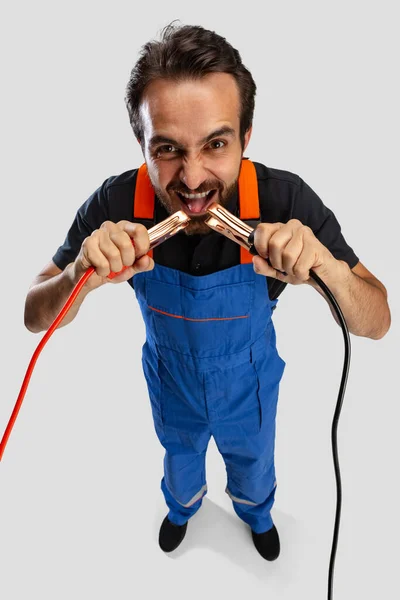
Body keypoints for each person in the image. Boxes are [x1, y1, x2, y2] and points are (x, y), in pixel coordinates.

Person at [24, 23, 390, 560]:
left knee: (254, 461)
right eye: (168, 148)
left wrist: (325, 270)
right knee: (180, 456)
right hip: (171, 380)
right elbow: (35, 314)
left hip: (251, 383)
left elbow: (377, 320)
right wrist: (80, 272)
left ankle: (256, 513)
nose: (193, 181)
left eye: (216, 144)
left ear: (246, 136)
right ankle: (183, 507)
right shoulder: (115, 202)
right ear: (141, 144)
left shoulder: (283, 199)